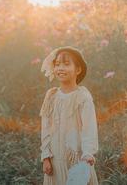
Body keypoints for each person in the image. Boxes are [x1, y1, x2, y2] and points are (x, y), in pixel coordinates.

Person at [39, 46, 99, 185]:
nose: (60, 68)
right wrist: (46, 157)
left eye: (66, 64)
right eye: (57, 64)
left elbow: (89, 128)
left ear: (78, 69)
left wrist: (88, 153)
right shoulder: (51, 96)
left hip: (77, 159)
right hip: (55, 159)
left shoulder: (83, 97)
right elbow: (46, 128)